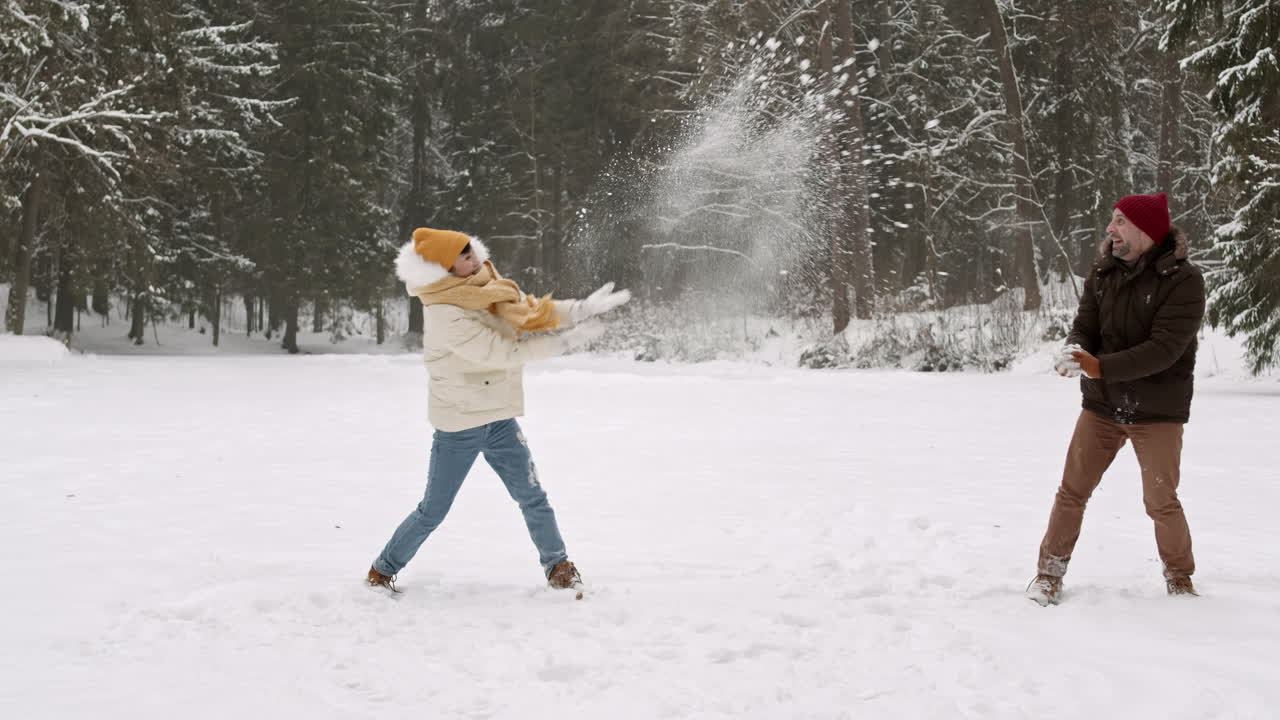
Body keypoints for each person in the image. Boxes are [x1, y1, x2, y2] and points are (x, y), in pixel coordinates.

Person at [367, 227, 630, 595]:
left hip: (498, 418)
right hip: (460, 423)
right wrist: (565, 343)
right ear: (443, 269)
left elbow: (531, 309)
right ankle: (382, 570)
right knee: (433, 509)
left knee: (532, 494)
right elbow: (504, 352)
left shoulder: (487, 288)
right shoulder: (445, 313)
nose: (473, 259)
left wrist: (580, 310)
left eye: (470, 251)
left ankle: (559, 566)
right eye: (462, 257)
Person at [1027, 192, 1206, 606]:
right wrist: (1074, 352)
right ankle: (1048, 575)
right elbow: (1084, 326)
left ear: (1147, 230)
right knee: (1072, 490)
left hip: (1158, 409)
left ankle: (1180, 578)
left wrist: (1098, 366)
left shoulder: (1183, 280)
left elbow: (1165, 348)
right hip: (1102, 406)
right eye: (1112, 221)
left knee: (1161, 500)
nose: (1110, 229)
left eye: (1121, 221)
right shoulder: (1103, 273)